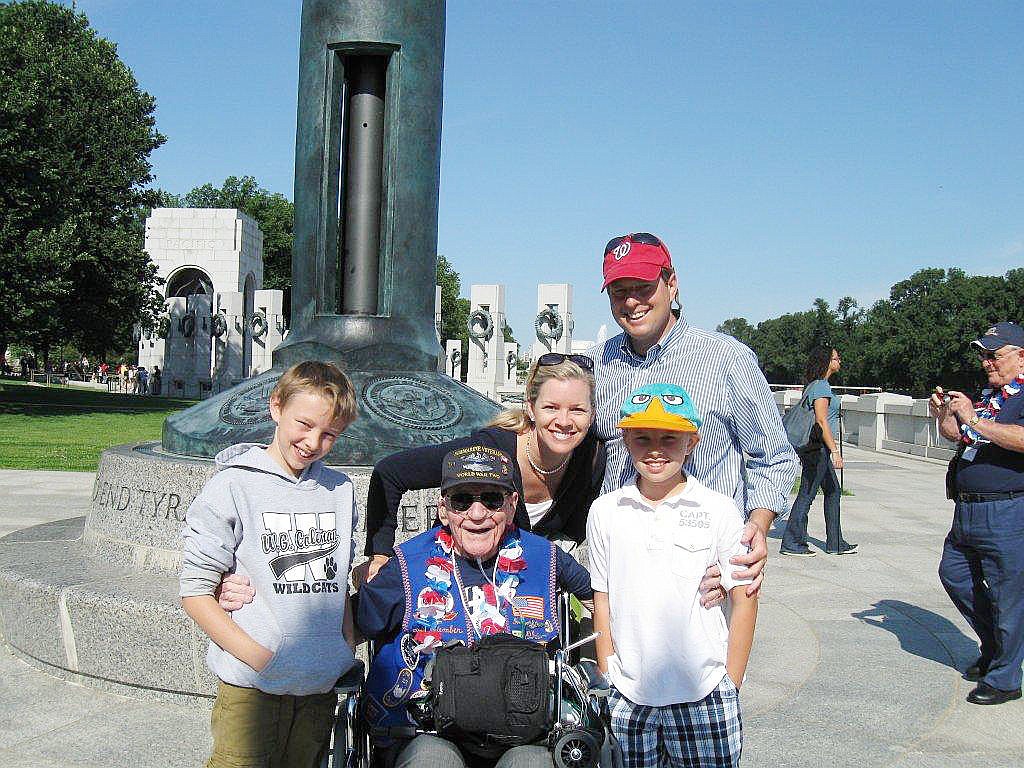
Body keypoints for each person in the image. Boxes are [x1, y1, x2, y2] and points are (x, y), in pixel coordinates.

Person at [589, 233, 798, 602]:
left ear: (671, 284)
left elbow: (775, 457)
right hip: (620, 570)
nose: (632, 301)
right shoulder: (596, 364)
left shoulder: (726, 359)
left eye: (643, 286)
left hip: (703, 577)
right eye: (619, 291)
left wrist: (757, 528)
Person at [357, 444, 593, 768]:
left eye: (492, 500)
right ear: (443, 509)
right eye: (462, 500)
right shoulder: (408, 562)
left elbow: (600, 601)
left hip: (523, 727)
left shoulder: (545, 558)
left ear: (511, 507)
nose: (477, 514)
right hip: (428, 727)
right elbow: (359, 622)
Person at [179, 360, 360, 767]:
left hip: (318, 686)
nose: (313, 442)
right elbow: (194, 591)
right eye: (304, 424)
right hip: (253, 687)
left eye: (330, 434)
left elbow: (338, 578)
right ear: (276, 407)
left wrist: (343, 647)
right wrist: (261, 656)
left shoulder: (340, 489)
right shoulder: (233, 484)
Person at [589, 383, 757, 767]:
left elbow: (744, 598)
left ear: (691, 442)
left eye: (669, 438)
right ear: (626, 439)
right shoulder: (606, 511)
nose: (655, 450)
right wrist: (607, 668)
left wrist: (731, 680)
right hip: (630, 694)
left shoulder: (719, 510)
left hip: (703, 691)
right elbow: (603, 595)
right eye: (642, 437)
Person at [360, 354, 605, 582]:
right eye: (551, 407)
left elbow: (568, 537)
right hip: (449, 586)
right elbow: (390, 472)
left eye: (577, 410)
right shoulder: (489, 449)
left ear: (592, 415)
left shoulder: (591, 458)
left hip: (525, 594)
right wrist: (380, 554)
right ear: (531, 408)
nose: (563, 421)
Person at [930, 321, 1024, 706]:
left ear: (1021, 355)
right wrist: (946, 416)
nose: (987, 362)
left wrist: (971, 417)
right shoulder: (991, 397)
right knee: (953, 574)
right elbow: (962, 437)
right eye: (984, 355)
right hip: (968, 509)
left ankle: (1005, 678)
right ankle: (996, 648)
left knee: (1008, 596)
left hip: (1006, 511)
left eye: (995, 354)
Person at [780, 347, 857, 556]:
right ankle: (792, 542)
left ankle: (835, 543)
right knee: (807, 492)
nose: (839, 360)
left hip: (816, 447)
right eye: (836, 357)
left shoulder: (815, 385)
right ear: (826, 361)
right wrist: (835, 451)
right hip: (818, 447)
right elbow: (821, 421)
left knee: (833, 492)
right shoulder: (822, 386)